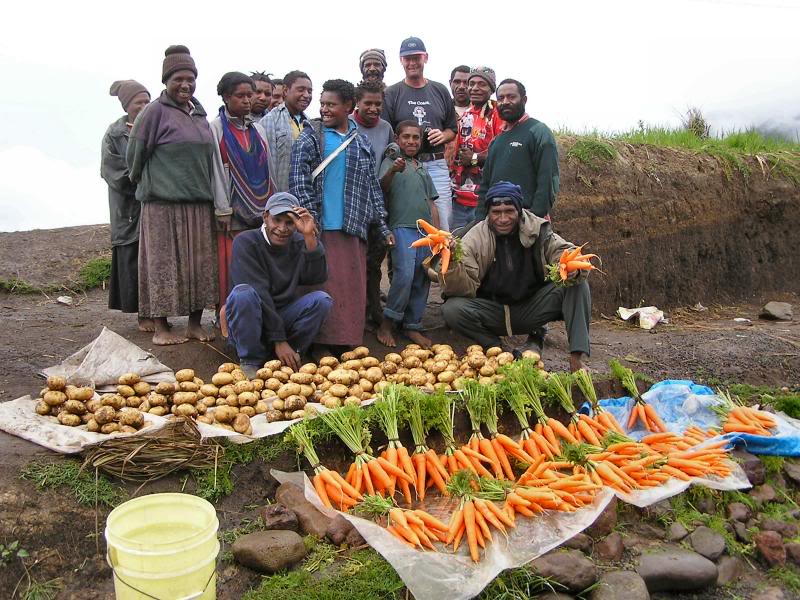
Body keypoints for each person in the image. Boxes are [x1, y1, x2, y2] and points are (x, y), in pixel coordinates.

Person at [437, 182, 590, 372]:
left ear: (519, 211)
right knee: (452, 309)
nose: (503, 219)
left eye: (509, 211)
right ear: (488, 213)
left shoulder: (538, 229)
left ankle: (576, 359)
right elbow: (463, 288)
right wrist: (452, 263)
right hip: (493, 311)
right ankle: (497, 348)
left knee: (577, 285)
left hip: (533, 308)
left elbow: (562, 250)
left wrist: (569, 266)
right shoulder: (475, 237)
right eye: (496, 212)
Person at [290, 79, 393, 350]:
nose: (324, 109)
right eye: (322, 104)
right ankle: (318, 342)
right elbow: (299, 180)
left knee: (349, 286)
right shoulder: (311, 135)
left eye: (331, 105)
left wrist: (382, 226)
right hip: (320, 227)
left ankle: (346, 341)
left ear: (348, 106)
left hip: (352, 226)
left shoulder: (360, 142)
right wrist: (309, 222)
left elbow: (372, 187)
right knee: (320, 285)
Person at [127, 44, 217, 345]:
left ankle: (194, 323)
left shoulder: (200, 114)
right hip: (162, 204)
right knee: (162, 265)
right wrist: (152, 184)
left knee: (199, 266)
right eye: (178, 78)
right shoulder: (154, 112)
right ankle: (162, 328)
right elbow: (135, 157)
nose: (186, 84)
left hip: (199, 203)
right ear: (166, 81)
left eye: (191, 78)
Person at [226, 193, 331, 376]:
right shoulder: (245, 242)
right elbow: (260, 293)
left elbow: (317, 277)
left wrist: (309, 237)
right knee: (243, 294)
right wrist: (279, 340)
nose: (282, 228)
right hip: (253, 318)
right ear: (265, 217)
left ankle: (291, 357)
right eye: (277, 220)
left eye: (289, 222)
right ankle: (250, 359)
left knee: (322, 301)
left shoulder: (298, 242)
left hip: (282, 316)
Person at [210, 72, 276, 313]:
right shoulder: (215, 128)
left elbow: (268, 169)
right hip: (231, 210)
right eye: (241, 95)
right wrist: (223, 208)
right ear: (227, 97)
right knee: (230, 264)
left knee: (258, 264)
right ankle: (228, 315)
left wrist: (272, 207)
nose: (248, 100)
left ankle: (258, 312)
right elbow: (217, 169)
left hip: (259, 210)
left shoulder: (258, 130)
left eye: (250, 95)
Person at [383, 37, 457, 231]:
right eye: (407, 58)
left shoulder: (440, 90)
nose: (412, 63)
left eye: (417, 57)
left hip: (436, 163)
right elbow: (387, 132)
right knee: (406, 217)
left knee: (443, 218)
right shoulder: (392, 93)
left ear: (425, 58)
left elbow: (452, 128)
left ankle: (443, 260)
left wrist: (443, 136)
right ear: (401, 60)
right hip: (404, 165)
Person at [377, 121, 439, 348]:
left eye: (416, 137)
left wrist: (439, 234)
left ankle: (412, 325)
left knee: (422, 277)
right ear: (397, 138)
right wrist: (393, 170)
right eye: (406, 137)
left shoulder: (421, 168)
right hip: (401, 227)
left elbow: (431, 202)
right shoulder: (391, 161)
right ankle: (388, 323)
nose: (411, 141)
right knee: (404, 275)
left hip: (426, 231)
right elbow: (381, 187)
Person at [102, 79, 151, 330]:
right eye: (138, 102)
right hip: (128, 207)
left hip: (154, 203)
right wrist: (144, 182)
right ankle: (142, 315)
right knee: (133, 255)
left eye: (146, 101)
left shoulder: (155, 126)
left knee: (153, 258)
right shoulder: (115, 133)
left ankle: (157, 312)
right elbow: (111, 171)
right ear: (127, 106)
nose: (144, 106)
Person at [476, 78, 560, 220]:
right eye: (501, 98)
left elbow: (548, 180)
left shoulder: (538, 132)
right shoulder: (497, 141)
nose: (505, 102)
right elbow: (485, 185)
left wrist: (533, 218)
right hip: (498, 222)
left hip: (528, 219)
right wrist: (479, 220)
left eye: (511, 97)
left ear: (524, 100)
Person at [351, 80, 394, 324]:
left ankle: (373, 311)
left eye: (378, 103)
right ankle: (356, 310)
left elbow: (387, 159)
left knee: (374, 262)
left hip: (378, 202)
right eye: (368, 103)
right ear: (357, 102)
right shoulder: (347, 125)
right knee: (353, 260)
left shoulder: (386, 128)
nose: (374, 108)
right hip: (354, 203)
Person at [450, 66, 503, 230]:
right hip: (459, 197)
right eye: (471, 83)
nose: (474, 88)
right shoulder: (466, 114)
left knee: (482, 247)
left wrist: (474, 158)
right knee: (457, 247)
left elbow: (503, 149)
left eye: (482, 84)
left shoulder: (497, 113)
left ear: (491, 89)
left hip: (485, 197)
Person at [260, 71, 313, 191]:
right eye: (301, 90)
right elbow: (267, 167)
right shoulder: (270, 121)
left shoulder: (311, 124)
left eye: (309, 91)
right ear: (285, 90)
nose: (306, 95)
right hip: (280, 198)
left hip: (306, 199)